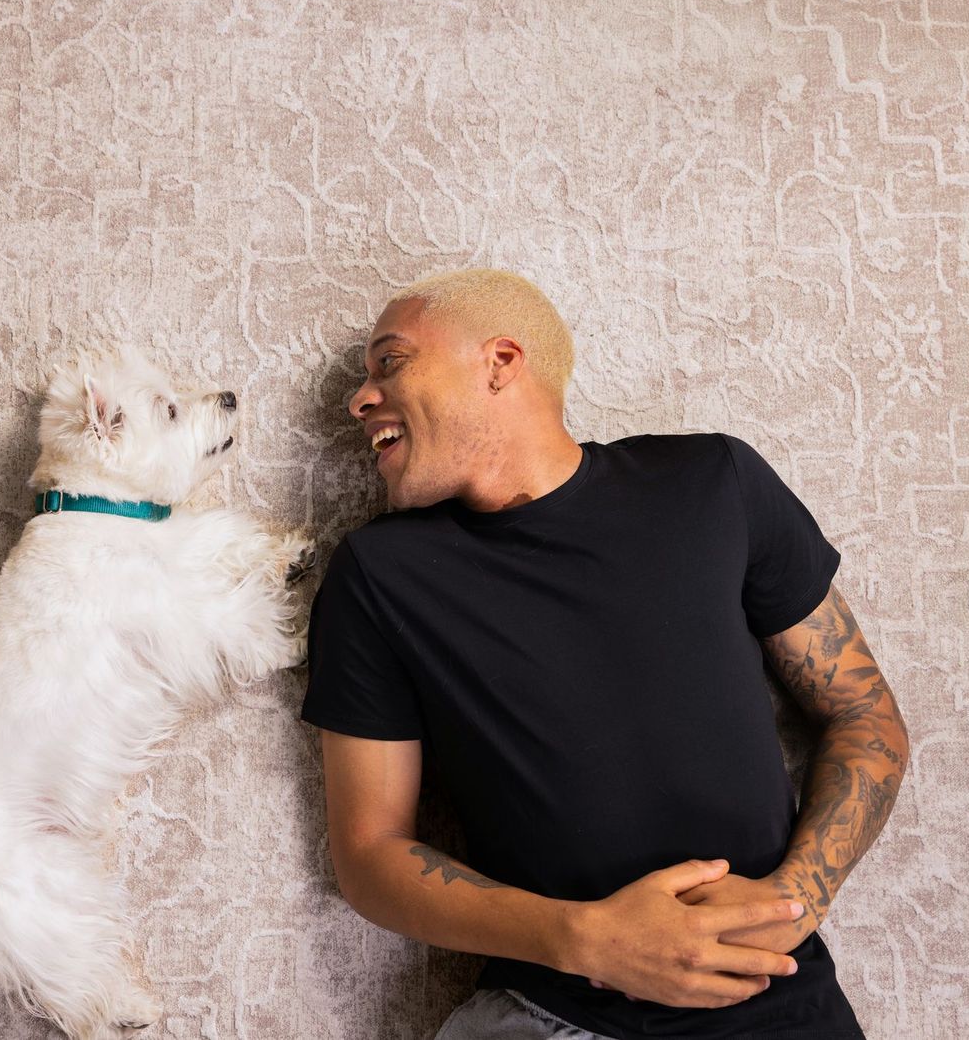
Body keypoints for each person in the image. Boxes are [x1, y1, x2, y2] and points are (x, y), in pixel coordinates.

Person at [300, 268, 909, 1039]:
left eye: (390, 361)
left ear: (501, 361)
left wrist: (797, 898)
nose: (360, 399)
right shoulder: (379, 574)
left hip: (783, 1006)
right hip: (551, 1014)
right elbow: (369, 854)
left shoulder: (712, 482)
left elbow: (864, 713)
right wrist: (585, 939)